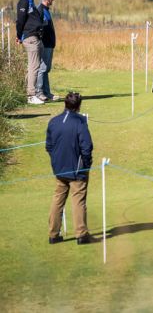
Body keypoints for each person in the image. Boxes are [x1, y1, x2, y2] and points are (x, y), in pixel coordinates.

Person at [46, 92, 94, 245]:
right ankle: (81, 234)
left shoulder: (54, 121)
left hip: (59, 169)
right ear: (79, 106)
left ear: (65, 104)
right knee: (78, 200)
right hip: (76, 170)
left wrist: (56, 161)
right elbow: (87, 147)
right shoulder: (80, 122)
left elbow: (49, 146)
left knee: (58, 199)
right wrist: (86, 165)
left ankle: (53, 234)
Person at [16, 0, 45, 104]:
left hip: (34, 36)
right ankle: (30, 95)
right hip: (30, 37)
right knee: (34, 67)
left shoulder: (30, 1)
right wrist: (18, 36)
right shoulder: (24, 1)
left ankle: (30, 93)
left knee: (33, 66)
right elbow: (20, 20)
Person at [37, 0, 59, 101]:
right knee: (43, 68)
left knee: (46, 68)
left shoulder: (45, 10)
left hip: (49, 44)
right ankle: (39, 92)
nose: (53, 0)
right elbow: (38, 28)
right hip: (44, 44)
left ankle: (47, 93)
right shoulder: (40, 10)